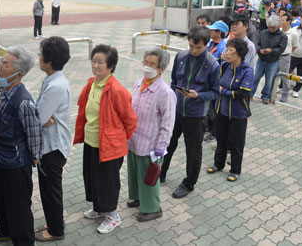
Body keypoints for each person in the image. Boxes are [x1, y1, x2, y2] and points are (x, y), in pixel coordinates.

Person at [73, 44, 137, 234]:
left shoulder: (117, 90)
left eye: (100, 62)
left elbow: (130, 120)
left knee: (108, 182)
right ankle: (99, 208)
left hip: (109, 146)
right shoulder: (92, 83)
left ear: (111, 66)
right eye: (94, 61)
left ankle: (112, 216)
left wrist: (117, 140)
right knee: (93, 177)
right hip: (92, 142)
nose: (96, 65)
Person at [0, 46, 42, 245]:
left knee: (18, 205)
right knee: (1, 198)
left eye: (5, 64)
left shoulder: (24, 102)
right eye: (1, 61)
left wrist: (35, 156)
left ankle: (24, 240)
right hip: (2, 156)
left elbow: (34, 132)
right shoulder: (5, 91)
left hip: (17, 162)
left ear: (18, 75)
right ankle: (6, 230)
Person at [160, 27, 220, 198]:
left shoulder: (213, 64)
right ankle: (161, 173)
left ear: (206, 45)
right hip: (176, 110)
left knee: (193, 151)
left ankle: (189, 183)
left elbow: (215, 92)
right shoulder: (180, 57)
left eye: (198, 47)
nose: (194, 50)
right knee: (167, 144)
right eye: (192, 46)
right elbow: (173, 82)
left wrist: (198, 95)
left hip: (196, 114)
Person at [127, 48, 176, 222]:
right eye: (145, 62)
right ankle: (138, 198)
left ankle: (152, 208)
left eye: (152, 64)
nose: (147, 67)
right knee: (134, 172)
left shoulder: (165, 93)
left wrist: (161, 146)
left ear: (161, 69)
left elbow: (168, 123)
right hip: (134, 140)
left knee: (148, 177)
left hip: (150, 144)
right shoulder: (139, 82)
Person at [34, 37, 71, 242]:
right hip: (53, 145)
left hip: (52, 148)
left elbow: (37, 117)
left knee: (50, 191)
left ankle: (56, 230)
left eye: (40, 55)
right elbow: (41, 114)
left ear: (48, 61)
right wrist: (43, 116)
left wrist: (42, 116)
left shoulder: (55, 85)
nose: (38, 58)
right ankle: (54, 222)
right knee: (50, 189)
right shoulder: (53, 79)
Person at [207, 39, 254, 182]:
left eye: (230, 50)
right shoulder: (224, 66)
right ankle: (218, 164)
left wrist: (223, 91)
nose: (227, 53)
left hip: (238, 113)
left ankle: (235, 170)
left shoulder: (247, 71)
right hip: (222, 110)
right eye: (226, 50)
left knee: (236, 142)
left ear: (239, 54)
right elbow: (216, 84)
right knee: (221, 138)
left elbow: (242, 93)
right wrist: (221, 91)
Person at [251, 15, 288, 104]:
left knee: (269, 80)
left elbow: (281, 49)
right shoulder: (263, 33)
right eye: (270, 27)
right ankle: (250, 94)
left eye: (274, 27)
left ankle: (265, 96)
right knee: (255, 78)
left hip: (273, 61)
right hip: (261, 59)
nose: (271, 29)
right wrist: (260, 50)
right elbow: (257, 44)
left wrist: (271, 51)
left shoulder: (283, 36)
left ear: (278, 26)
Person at [278, 14, 299, 103]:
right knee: (272, 75)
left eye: (283, 20)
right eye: (281, 20)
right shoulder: (278, 31)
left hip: (285, 57)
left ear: (289, 22)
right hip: (275, 56)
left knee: (284, 76)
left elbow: (295, 46)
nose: (281, 22)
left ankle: (285, 94)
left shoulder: (293, 33)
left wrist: (288, 51)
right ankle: (270, 92)